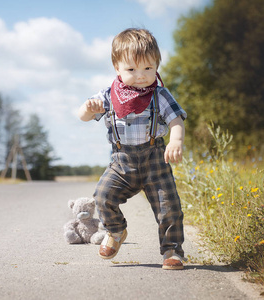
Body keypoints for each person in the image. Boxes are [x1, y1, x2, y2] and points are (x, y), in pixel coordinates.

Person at [78, 28, 187, 270]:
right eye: (131, 70)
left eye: (148, 68)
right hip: (122, 160)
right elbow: (83, 116)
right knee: (102, 196)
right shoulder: (108, 95)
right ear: (117, 68)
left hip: (155, 159)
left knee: (169, 206)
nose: (141, 76)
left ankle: (172, 250)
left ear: (157, 65)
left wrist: (175, 140)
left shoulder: (159, 95)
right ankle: (116, 231)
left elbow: (176, 120)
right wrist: (89, 109)